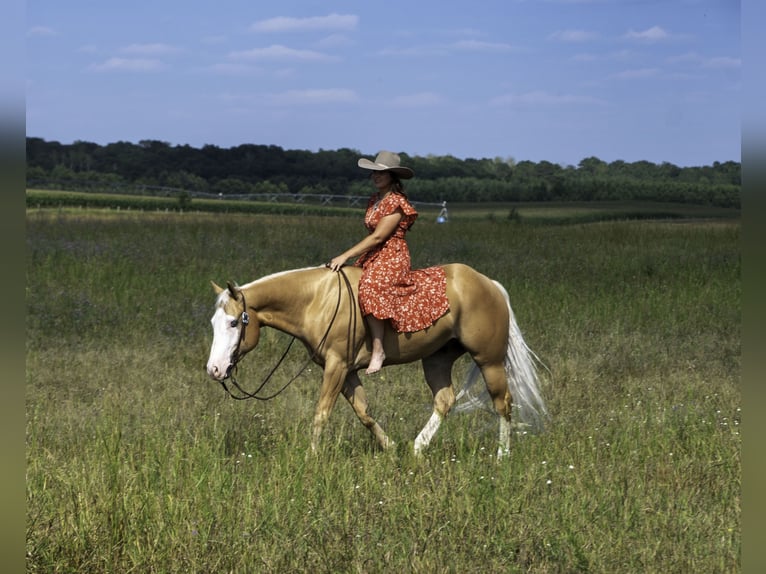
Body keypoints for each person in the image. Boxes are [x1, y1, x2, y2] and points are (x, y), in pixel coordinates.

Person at [327, 151, 450, 374]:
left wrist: (345, 255)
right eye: (374, 172)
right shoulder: (375, 200)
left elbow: (378, 236)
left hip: (392, 254)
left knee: (372, 285)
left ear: (393, 176)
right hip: (375, 253)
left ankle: (378, 349)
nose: (376, 176)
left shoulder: (396, 202)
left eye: (381, 172)